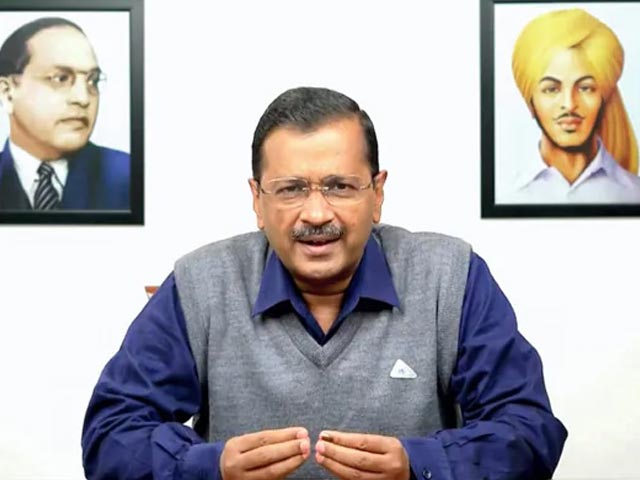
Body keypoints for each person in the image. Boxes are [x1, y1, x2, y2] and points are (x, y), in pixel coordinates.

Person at [82, 87, 567, 479]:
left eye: (340, 186)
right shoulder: (201, 284)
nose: (316, 214)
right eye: (291, 189)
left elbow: (529, 429)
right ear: (257, 199)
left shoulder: (450, 275)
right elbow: (111, 434)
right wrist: (209, 467)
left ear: (377, 193)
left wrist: (419, 465)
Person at [505, 8, 640, 204]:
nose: (569, 105)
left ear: (604, 97)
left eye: (585, 88)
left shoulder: (633, 193)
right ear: (531, 101)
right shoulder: (506, 193)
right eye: (551, 89)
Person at [0, 17, 129, 211]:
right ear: (7, 93)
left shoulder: (129, 177)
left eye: (92, 81)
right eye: (60, 79)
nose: (83, 98)